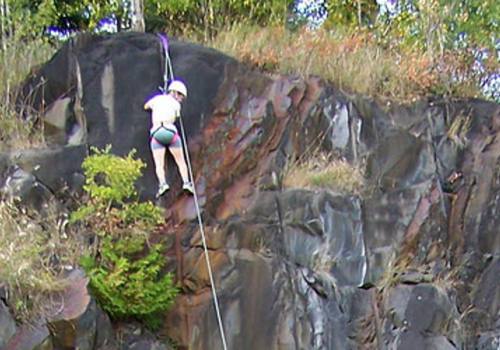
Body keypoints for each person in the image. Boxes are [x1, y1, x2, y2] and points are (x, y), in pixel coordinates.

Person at [144, 79, 194, 197]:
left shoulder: (157, 99)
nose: (181, 100)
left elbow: (146, 106)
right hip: (170, 132)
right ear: (175, 93)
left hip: (156, 133)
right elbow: (176, 116)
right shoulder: (176, 105)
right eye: (181, 96)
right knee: (181, 161)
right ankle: (186, 183)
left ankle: (163, 184)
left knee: (159, 164)